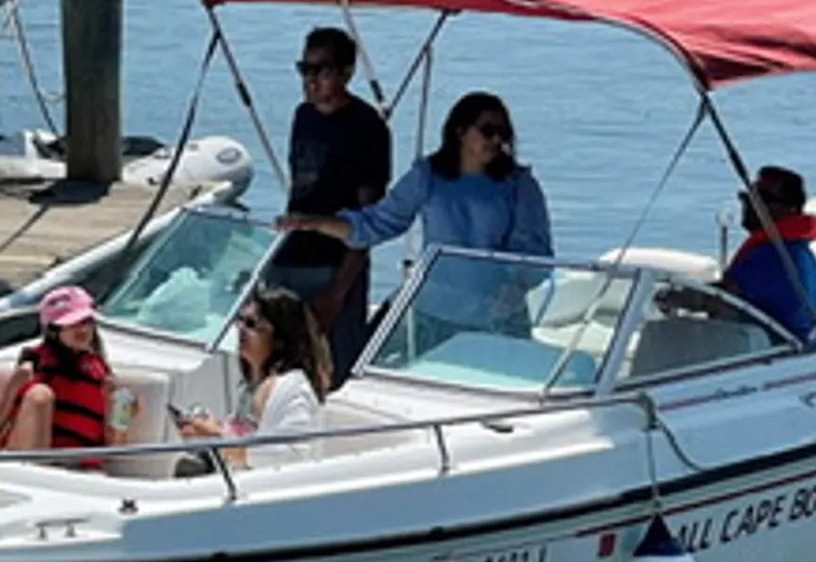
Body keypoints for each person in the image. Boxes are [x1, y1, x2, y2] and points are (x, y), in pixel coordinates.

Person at [283, 91, 552, 338]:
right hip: (434, 315)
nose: (497, 140)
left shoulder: (519, 185)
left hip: (498, 318)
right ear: (460, 131)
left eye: (503, 133)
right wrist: (314, 222)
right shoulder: (428, 176)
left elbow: (535, 253)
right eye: (488, 131)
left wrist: (517, 283)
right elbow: (377, 223)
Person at [266, 27, 391, 385]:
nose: (311, 80)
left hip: (334, 262)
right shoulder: (303, 116)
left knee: (331, 370)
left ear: (346, 73)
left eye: (321, 70)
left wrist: (338, 292)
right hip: (291, 254)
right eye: (304, 69)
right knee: (282, 361)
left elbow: (370, 219)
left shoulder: (367, 128)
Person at [177, 282, 329, 462]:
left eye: (251, 323)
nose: (240, 328)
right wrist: (208, 429)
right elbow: (244, 436)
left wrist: (217, 436)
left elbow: (293, 454)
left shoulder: (293, 388)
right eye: (239, 320)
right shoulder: (251, 385)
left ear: (280, 339)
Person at [0, 285, 116, 457]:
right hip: (24, 468)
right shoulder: (30, 368)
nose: (82, 330)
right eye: (72, 324)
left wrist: (120, 407)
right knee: (40, 394)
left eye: (86, 321)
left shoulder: (102, 374)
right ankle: (34, 469)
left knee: (124, 402)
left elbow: (113, 445)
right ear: (54, 331)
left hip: (78, 469)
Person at [720, 167, 816, 350]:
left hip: (780, 356)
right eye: (749, 195)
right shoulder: (795, 250)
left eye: (762, 199)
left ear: (790, 209)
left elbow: (723, 300)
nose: (750, 203)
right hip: (797, 352)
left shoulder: (775, 258)